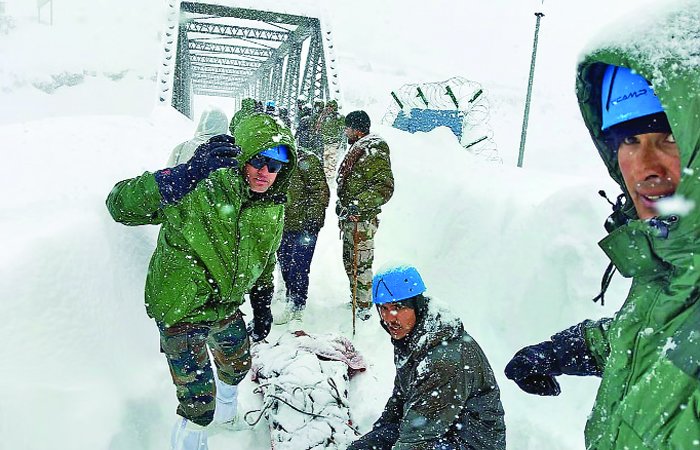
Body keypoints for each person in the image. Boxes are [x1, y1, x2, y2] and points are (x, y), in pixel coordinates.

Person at [505, 4, 700, 449]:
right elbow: (657, 339)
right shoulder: (671, 264)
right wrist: (564, 350)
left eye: (670, 137)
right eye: (628, 139)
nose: (644, 167)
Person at [106, 113, 297, 450]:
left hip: (224, 304)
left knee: (238, 364)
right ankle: (194, 436)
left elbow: (265, 256)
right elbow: (120, 205)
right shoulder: (200, 187)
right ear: (242, 155)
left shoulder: (272, 206)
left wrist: (262, 300)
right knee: (198, 402)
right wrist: (184, 175)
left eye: (275, 165)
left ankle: (228, 416)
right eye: (258, 160)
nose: (265, 172)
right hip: (182, 304)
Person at [349, 265, 506, 450]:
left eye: (398, 307)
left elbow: (418, 437)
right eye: (384, 308)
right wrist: (375, 438)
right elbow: (400, 398)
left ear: (417, 306)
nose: (389, 318)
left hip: (469, 443)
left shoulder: (443, 360)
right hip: (440, 428)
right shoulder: (411, 337)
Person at [336, 110, 394, 320]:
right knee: (350, 261)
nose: (345, 131)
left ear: (357, 130)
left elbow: (384, 187)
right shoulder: (360, 148)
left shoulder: (374, 150)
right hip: (352, 220)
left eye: (348, 128)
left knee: (360, 264)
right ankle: (356, 299)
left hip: (362, 221)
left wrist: (357, 204)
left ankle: (363, 307)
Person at [274, 143, 330, 324]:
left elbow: (320, 191)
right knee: (285, 265)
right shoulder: (276, 160)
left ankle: (297, 306)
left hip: (304, 227)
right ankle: (291, 298)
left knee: (299, 267)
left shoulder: (307, 160)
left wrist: (312, 220)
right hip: (283, 226)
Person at [315, 99, 346, 181]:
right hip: (325, 142)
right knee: (325, 160)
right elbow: (318, 128)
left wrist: (342, 142)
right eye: (327, 106)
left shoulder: (339, 117)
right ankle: (326, 178)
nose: (329, 108)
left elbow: (344, 130)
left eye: (331, 106)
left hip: (334, 143)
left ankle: (330, 179)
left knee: (332, 162)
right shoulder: (324, 116)